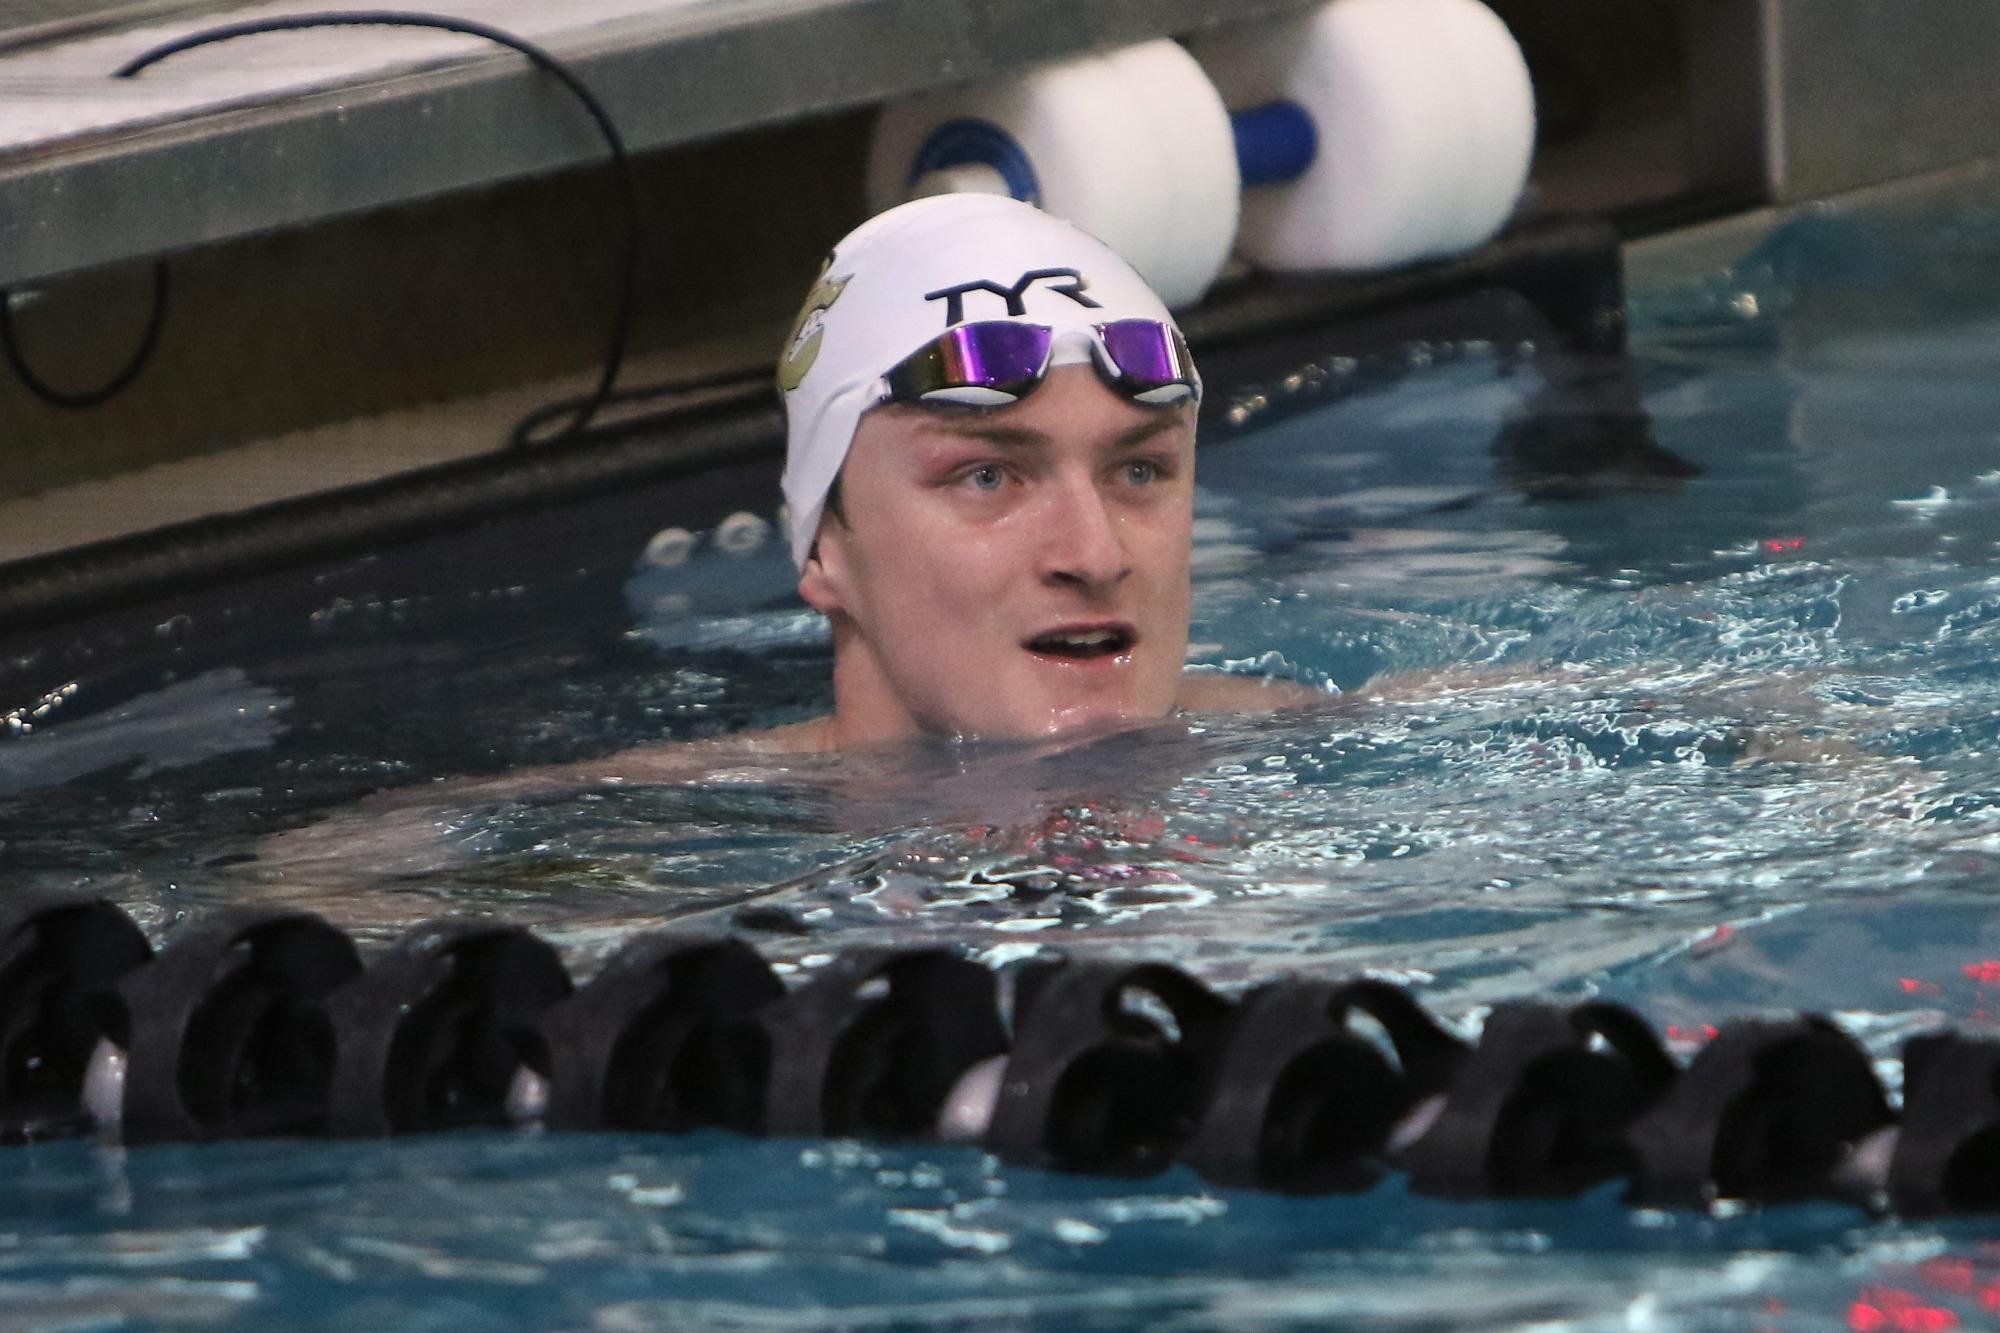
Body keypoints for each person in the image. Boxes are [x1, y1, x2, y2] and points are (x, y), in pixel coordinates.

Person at [770, 191, 1320, 751]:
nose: (1096, 558)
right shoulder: (700, 825)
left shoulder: (1337, 743)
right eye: (986, 476)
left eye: (1139, 471)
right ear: (821, 545)